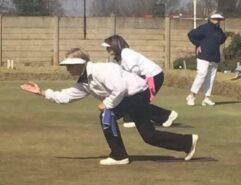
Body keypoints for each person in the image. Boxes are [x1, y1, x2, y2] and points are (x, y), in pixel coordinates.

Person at [20, 48, 199, 165]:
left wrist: (106, 104)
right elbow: (66, 97)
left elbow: (120, 88)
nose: (68, 70)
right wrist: (42, 92)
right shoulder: (84, 82)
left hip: (137, 94)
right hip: (134, 97)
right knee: (149, 136)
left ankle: (119, 155)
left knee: (106, 115)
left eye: (70, 66)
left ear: (82, 64)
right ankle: (187, 142)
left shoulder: (100, 70)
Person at [102, 35, 178, 129]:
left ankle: (166, 115)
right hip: (142, 79)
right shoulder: (115, 60)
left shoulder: (126, 53)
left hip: (152, 76)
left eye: (109, 47)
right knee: (136, 101)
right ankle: (164, 116)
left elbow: (135, 71)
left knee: (139, 101)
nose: (107, 49)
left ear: (115, 45)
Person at [186, 11, 227, 106]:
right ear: (210, 18)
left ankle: (207, 97)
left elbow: (222, 39)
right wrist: (198, 44)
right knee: (201, 74)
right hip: (203, 56)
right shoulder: (204, 28)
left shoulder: (219, 31)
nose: (217, 20)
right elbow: (191, 35)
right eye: (215, 18)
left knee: (210, 78)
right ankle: (192, 95)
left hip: (214, 57)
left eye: (218, 19)